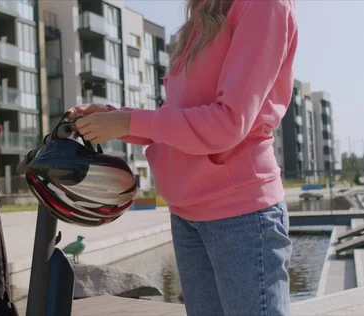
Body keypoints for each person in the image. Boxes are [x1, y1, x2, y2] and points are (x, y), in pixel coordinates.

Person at [68, 0, 298, 315]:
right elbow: (177, 122)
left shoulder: (264, 6)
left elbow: (228, 123)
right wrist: (112, 118)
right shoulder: (205, 13)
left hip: (240, 215)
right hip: (187, 215)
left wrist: (127, 122)